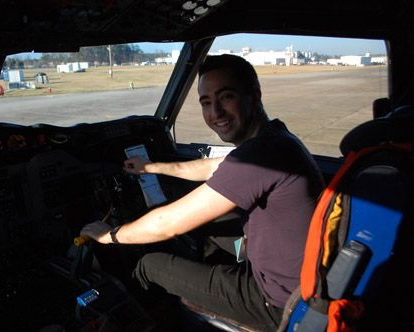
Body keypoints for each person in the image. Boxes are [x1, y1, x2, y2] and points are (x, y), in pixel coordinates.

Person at [80, 54, 324, 331]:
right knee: (210, 224)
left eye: (226, 97)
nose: (215, 112)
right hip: (279, 268)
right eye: (206, 102)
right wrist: (153, 167)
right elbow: (212, 167)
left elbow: (166, 224)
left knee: (150, 265)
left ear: (254, 95)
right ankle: (212, 282)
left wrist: (110, 235)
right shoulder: (275, 139)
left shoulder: (261, 154)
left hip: (276, 301)